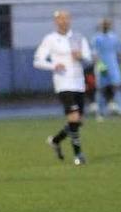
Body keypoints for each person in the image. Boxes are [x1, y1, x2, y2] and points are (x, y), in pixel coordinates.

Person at [35, 10, 92, 166]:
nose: (63, 21)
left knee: (78, 121)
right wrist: (54, 65)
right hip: (63, 83)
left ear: (70, 20)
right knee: (73, 117)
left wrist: (81, 57)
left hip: (78, 83)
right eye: (60, 19)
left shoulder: (79, 37)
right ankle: (78, 155)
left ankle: (55, 140)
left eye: (66, 18)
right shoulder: (50, 39)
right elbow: (38, 60)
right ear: (55, 21)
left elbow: (89, 59)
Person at [91, 18, 121, 117]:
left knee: (117, 87)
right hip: (102, 66)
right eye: (103, 24)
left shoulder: (114, 37)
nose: (105, 26)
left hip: (113, 66)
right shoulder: (96, 38)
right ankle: (100, 111)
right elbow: (94, 54)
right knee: (101, 89)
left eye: (107, 24)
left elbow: (119, 52)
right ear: (100, 26)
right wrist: (99, 64)